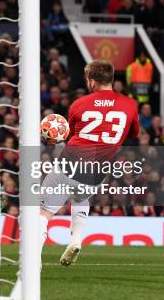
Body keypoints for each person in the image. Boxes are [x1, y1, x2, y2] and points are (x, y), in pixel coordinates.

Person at [40, 59, 139, 266]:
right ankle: (75, 241)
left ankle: (34, 260)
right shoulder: (130, 104)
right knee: (80, 198)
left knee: (44, 211)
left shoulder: (79, 104)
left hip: (69, 165)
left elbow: (71, 133)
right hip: (97, 174)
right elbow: (133, 133)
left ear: (92, 82)